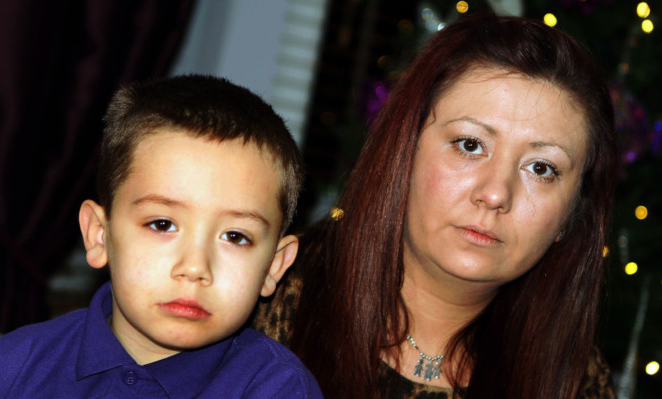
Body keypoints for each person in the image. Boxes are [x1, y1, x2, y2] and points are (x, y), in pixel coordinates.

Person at [252, 14, 618, 398]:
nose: (495, 194)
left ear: (572, 213)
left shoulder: (576, 382)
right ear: (403, 152)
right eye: (470, 145)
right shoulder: (260, 298)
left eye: (541, 168)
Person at [0, 75, 323, 398]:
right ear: (99, 235)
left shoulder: (279, 388)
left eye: (235, 236)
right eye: (162, 224)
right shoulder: (14, 366)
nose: (195, 267)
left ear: (272, 267)